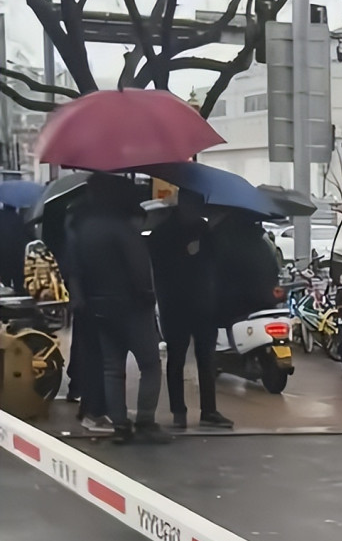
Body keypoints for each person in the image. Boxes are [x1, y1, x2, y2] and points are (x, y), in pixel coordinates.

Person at [68, 173, 168, 444]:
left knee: (112, 368)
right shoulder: (123, 228)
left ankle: (120, 425)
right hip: (131, 306)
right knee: (150, 364)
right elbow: (138, 269)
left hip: (98, 306)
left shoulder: (83, 227)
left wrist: (83, 300)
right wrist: (148, 297)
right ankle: (145, 422)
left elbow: (73, 269)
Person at [147, 190, 232, 430]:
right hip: (175, 304)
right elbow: (159, 268)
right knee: (176, 358)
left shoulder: (204, 230)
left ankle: (209, 411)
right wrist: (185, 253)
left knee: (207, 359)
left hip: (204, 304)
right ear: (183, 204)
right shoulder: (162, 233)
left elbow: (215, 261)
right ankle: (178, 411)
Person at [62, 200, 113, 433]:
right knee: (96, 356)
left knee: (87, 352)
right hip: (92, 301)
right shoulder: (83, 236)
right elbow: (75, 270)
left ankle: (86, 405)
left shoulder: (75, 234)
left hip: (85, 301)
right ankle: (94, 410)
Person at [209, 211, 279, 328]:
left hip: (232, 309)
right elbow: (274, 270)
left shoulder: (221, 240)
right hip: (264, 305)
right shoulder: (263, 242)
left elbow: (215, 274)